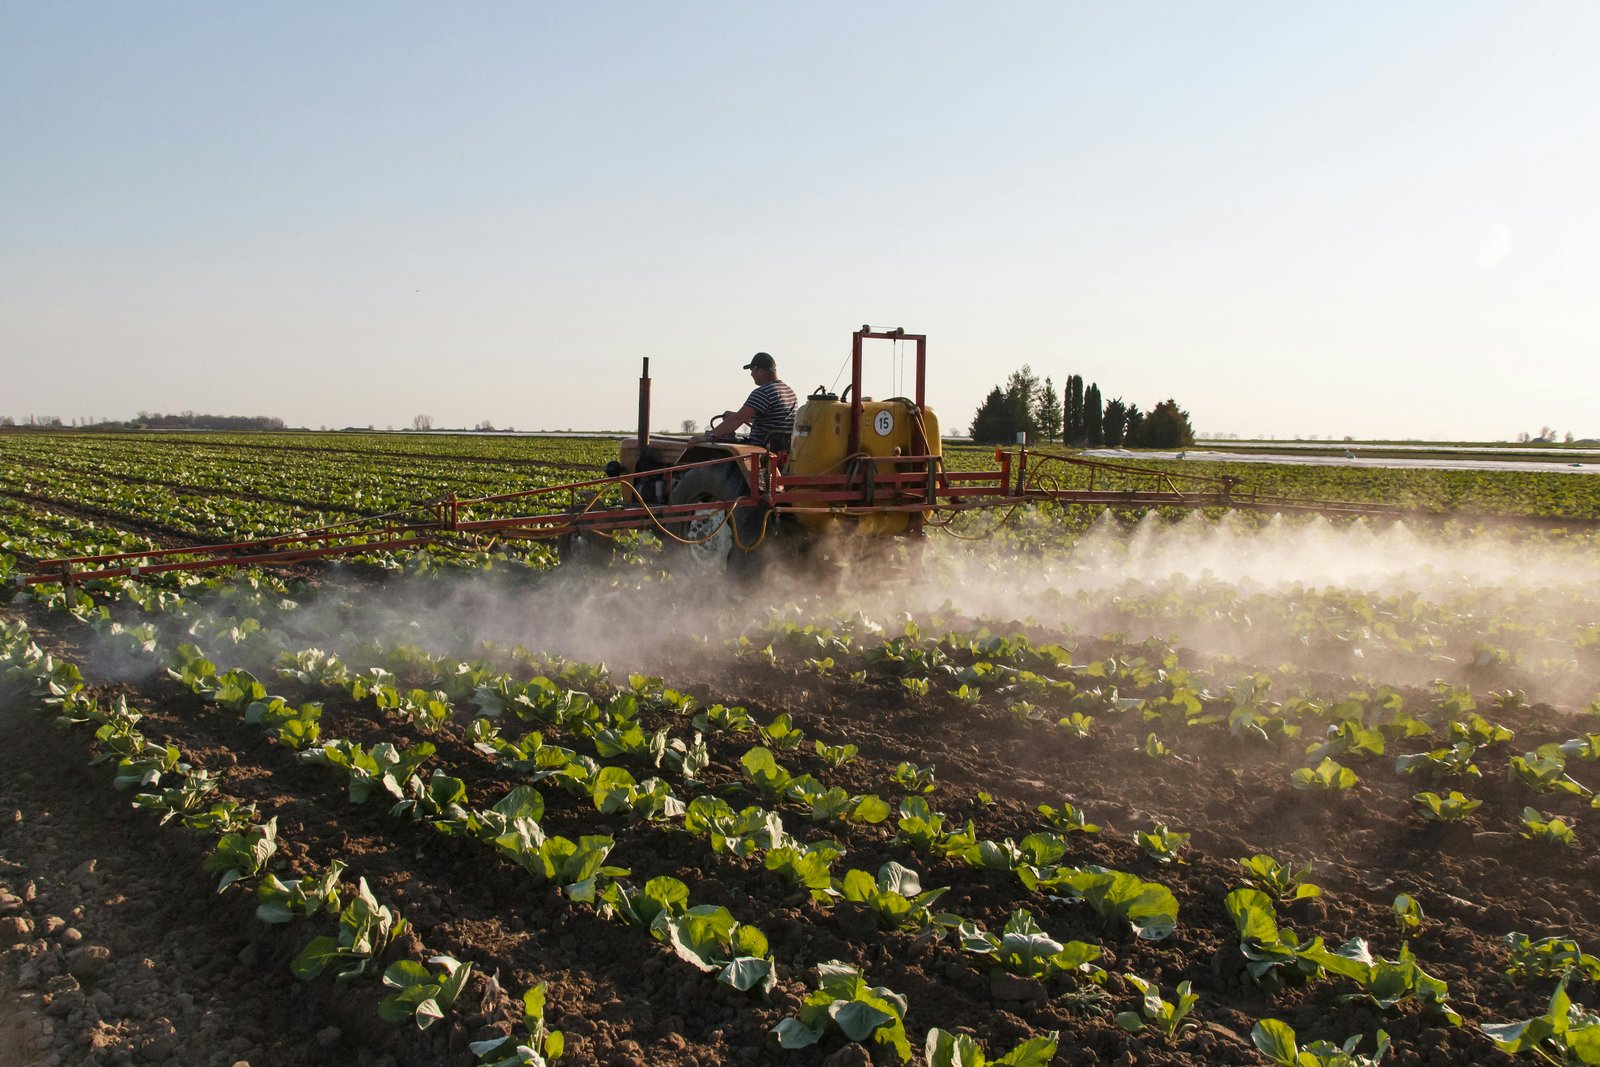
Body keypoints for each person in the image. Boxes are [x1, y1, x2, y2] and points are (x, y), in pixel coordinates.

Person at [709, 352, 797, 448]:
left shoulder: (763, 392)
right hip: (780, 450)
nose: (751, 374)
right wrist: (735, 415)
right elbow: (771, 419)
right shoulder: (790, 392)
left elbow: (736, 421)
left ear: (758, 370)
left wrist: (708, 436)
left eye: (752, 370)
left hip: (758, 450)